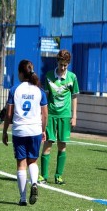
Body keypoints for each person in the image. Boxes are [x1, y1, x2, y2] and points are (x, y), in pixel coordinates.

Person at [2, 59, 48, 206]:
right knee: (32, 161)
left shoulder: (15, 89)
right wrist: (43, 130)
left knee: (21, 164)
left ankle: (22, 198)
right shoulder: (39, 91)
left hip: (19, 130)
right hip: (35, 129)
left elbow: (8, 115)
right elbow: (45, 114)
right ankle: (34, 182)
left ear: (21, 73)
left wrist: (4, 131)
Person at [38, 49, 79, 185]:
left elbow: (74, 97)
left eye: (65, 66)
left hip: (65, 116)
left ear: (68, 64)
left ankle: (58, 176)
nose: (62, 68)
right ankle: (43, 176)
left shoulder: (72, 77)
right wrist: (42, 115)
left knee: (62, 145)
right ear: (57, 62)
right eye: (61, 65)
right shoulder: (49, 76)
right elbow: (45, 98)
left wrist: (74, 116)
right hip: (51, 115)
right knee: (47, 144)